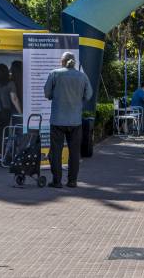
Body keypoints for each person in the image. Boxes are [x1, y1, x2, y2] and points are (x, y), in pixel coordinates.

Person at [44, 52, 92, 188]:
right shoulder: (82, 76)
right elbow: (88, 95)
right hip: (75, 121)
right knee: (74, 153)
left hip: (57, 120)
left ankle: (57, 181)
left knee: (56, 152)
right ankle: (72, 181)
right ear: (74, 62)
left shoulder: (54, 74)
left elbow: (47, 93)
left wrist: (56, 95)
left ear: (63, 61)